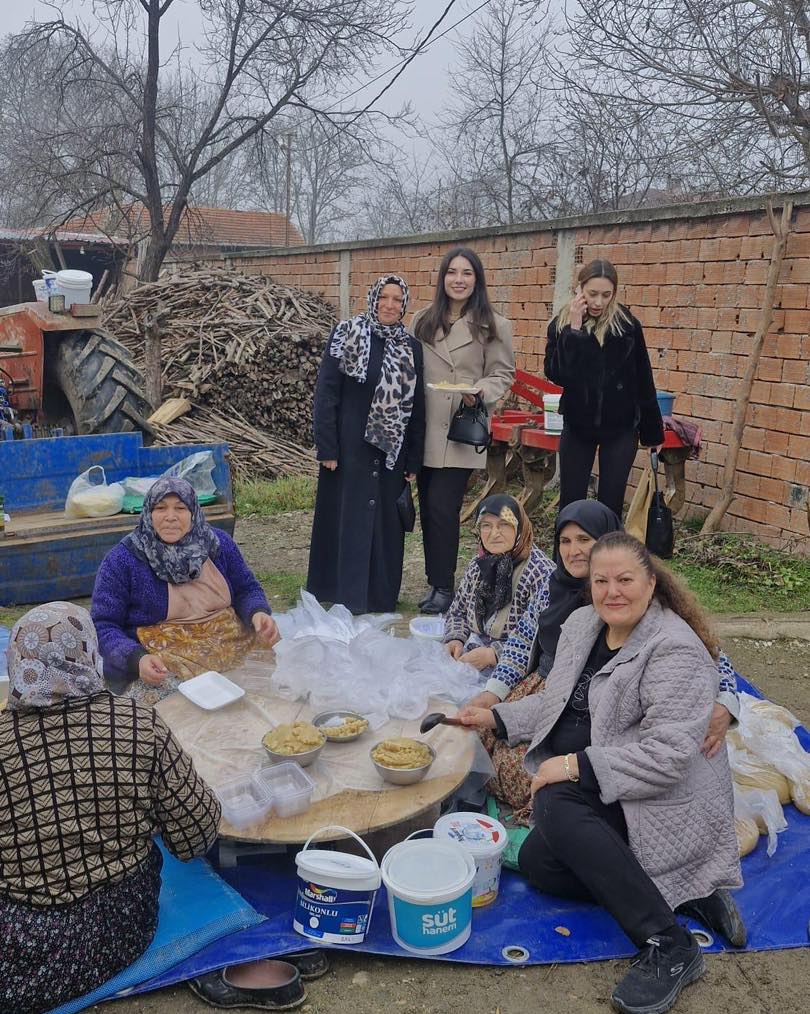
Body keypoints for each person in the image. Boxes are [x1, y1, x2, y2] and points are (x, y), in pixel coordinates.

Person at [462, 533, 744, 1014]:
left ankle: (669, 943)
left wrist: (574, 765)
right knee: (539, 862)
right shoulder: (584, 625)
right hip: (612, 789)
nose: (612, 591)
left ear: (651, 584)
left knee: (553, 801)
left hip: (659, 799)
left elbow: (668, 756)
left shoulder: (673, 648)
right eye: (601, 581)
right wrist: (494, 717)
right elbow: (557, 704)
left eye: (625, 580)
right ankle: (679, 891)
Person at [0, 602, 222, 1014]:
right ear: (89, 653)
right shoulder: (137, 723)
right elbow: (197, 834)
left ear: (17, 661)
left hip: (23, 940)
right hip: (121, 925)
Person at [460, 500, 740, 820]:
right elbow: (523, 641)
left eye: (584, 540)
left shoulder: (626, 591)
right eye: (565, 541)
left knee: (518, 771)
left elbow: (706, 652)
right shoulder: (554, 586)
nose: (574, 551)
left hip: (602, 702)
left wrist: (727, 702)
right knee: (475, 738)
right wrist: (493, 693)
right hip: (551, 689)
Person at [92, 477, 279, 701]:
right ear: (148, 513)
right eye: (160, 508)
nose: (170, 517)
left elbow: (246, 588)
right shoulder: (123, 560)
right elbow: (103, 625)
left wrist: (258, 613)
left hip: (228, 639)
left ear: (193, 512)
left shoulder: (218, 544)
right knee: (172, 700)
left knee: (268, 681)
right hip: (164, 653)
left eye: (180, 508)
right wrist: (136, 659)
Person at [306, 274, 425, 614]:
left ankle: (378, 596)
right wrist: (327, 447)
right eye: (384, 297)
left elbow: (417, 407)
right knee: (345, 519)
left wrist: (413, 461)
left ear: (405, 305)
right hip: (347, 449)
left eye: (397, 300)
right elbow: (326, 392)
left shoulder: (410, 347)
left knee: (384, 527)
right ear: (373, 299)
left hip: (391, 453)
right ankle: (339, 590)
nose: (390, 305)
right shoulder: (346, 334)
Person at [413, 247, 515, 615]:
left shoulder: (494, 324)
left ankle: (444, 585)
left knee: (443, 507)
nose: (459, 279)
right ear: (442, 278)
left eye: (467, 273)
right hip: (423, 428)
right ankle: (434, 581)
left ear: (477, 279)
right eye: (452, 272)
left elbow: (503, 373)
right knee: (427, 508)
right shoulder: (423, 320)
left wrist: (480, 393)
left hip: (460, 429)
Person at [545, 259, 663, 517]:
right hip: (577, 427)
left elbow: (644, 378)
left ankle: (608, 557)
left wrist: (653, 434)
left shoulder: (627, 325)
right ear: (580, 289)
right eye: (592, 294)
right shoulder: (561, 325)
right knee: (571, 504)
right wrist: (574, 330)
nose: (599, 302)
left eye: (606, 295)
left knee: (610, 506)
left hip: (621, 429)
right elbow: (556, 374)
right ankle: (565, 557)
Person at [443, 494, 554, 680]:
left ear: (519, 527)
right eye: (486, 525)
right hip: (472, 654)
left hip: (517, 666)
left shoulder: (541, 573)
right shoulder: (479, 564)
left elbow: (543, 639)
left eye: (504, 525)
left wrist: (493, 654)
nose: (494, 533)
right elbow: (457, 611)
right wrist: (455, 638)